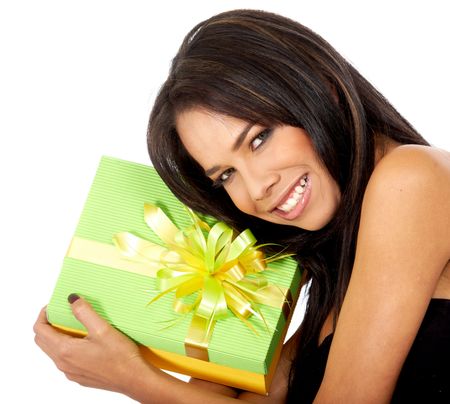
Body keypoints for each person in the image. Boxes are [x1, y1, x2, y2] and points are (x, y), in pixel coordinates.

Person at [34, 9, 450, 403]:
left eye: (258, 139)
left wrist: (135, 380)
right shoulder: (334, 259)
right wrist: (135, 356)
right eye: (225, 175)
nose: (256, 189)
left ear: (322, 88)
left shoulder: (412, 178)